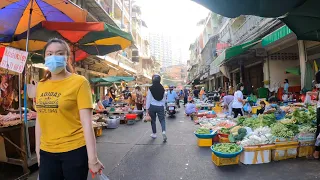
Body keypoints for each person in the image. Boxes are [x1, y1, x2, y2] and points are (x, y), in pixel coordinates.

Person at [35, 38, 103, 180]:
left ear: (67, 58)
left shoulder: (79, 82)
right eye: (49, 53)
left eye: (59, 53)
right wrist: (37, 150)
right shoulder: (41, 85)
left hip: (74, 150)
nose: (54, 57)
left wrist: (93, 159)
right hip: (47, 151)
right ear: (45, 58)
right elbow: (39, 119)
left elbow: (87, 124)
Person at [146, 75, 167, 142]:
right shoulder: (162, 88)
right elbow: (164, 99)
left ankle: (154, 134)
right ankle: (163, 131)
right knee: (162, 120)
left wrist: (147, 108)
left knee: (153, 120)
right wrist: (164, 107)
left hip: (152, 106)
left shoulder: (150, 88)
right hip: (160, 106)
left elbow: (148, 99)